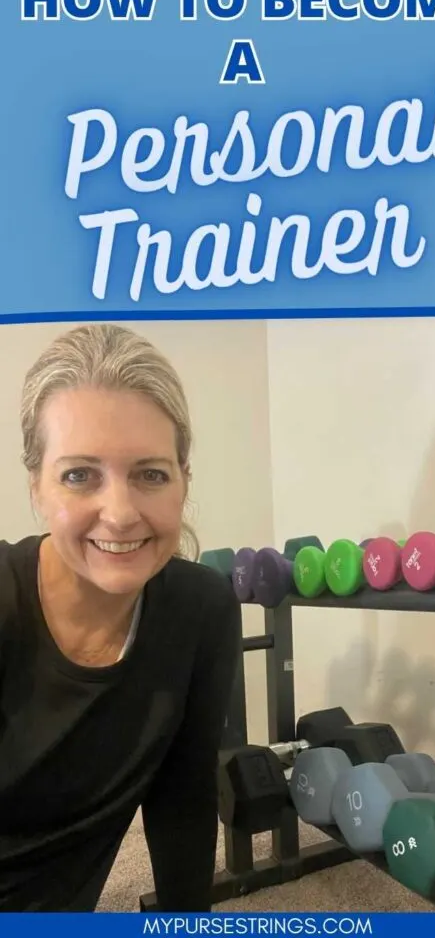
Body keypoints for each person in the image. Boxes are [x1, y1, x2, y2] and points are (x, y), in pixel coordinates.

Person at [0, 322, 240, 912]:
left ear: (184, 481)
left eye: (150, 474)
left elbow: (181, 800)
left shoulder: (203, 610)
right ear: (36, 485)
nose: (121, 513)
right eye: (80, 475)